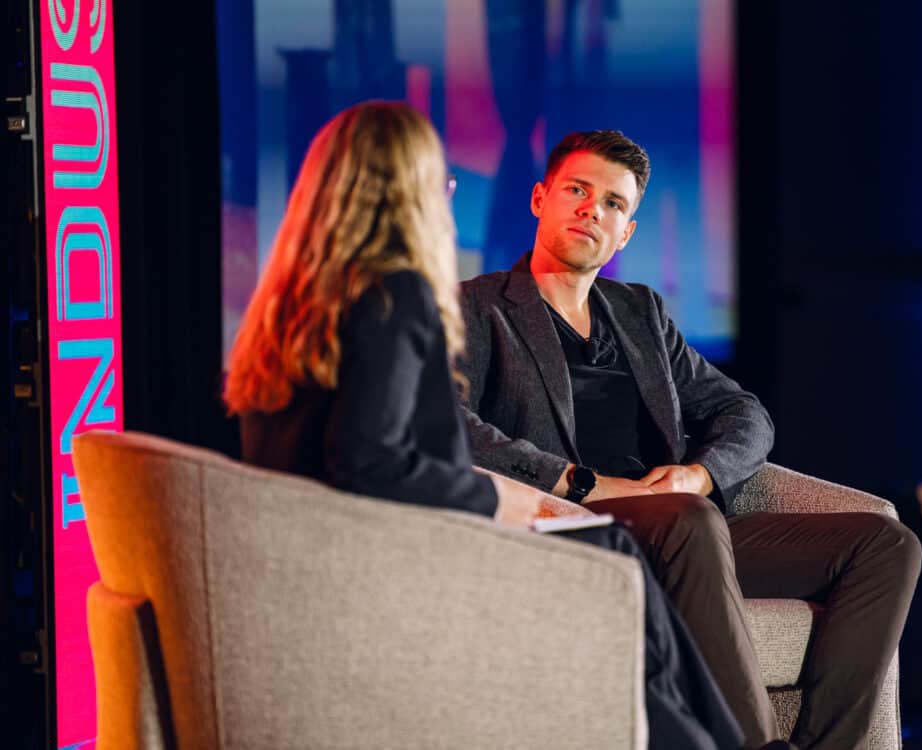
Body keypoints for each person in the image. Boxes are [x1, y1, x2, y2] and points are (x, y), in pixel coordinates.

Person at [223, 102, 761, 750]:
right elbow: (371, 461)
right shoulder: (401, 295)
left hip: (326, 554)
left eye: (613, 203)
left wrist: (694, 474)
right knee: (615, 561)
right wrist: (498, 494)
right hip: (400, 559)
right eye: (438, 178)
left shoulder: (287, 305)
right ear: (401, 190)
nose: (450, 191)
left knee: (621, 572)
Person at [458, 129, 922, 750]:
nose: (592, 208)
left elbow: (743, 412)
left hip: (683, 527)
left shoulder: (640, 312)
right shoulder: (479, 306)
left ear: (624, 233)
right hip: (572, 524)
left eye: (614, 203)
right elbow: (454, 426)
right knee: (689, 521)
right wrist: (583, 482)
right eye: (577, 189)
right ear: (541, 198)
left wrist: (698, 476)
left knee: (887, 544)